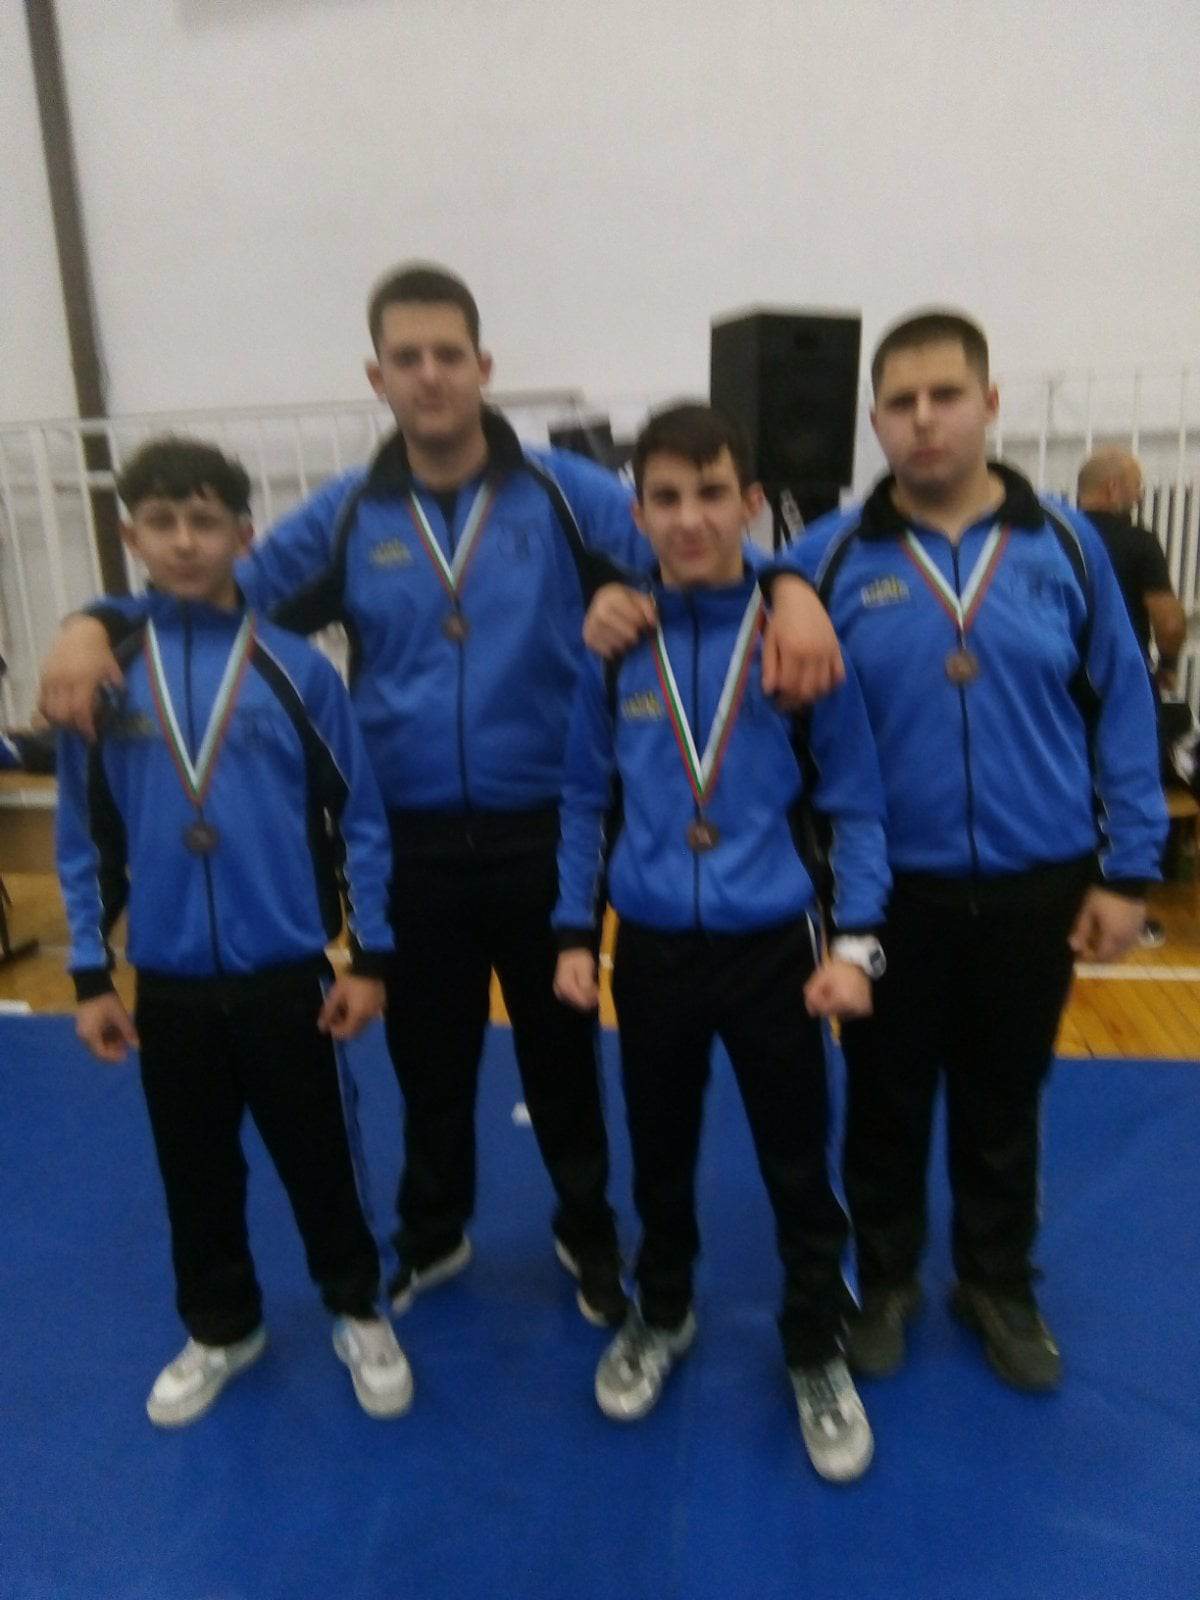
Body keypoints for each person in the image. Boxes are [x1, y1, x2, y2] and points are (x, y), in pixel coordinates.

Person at [38, 263, 843, 1328]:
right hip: (409, 834)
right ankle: (434, 1226)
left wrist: (793, 590)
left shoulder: (567, 491)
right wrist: (91, 622)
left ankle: (586, 1228)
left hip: (544, 826)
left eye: (448, 355)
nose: (430, 375)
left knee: (560, 1055)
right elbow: (211, 593)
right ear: (378, 376)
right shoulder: (346, 512)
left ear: (483, 366)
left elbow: (698, 546)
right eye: (407, 358)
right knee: (431, 1059)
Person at [774, 311, 1166, 1393]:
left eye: (945, 395)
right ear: (874, 421)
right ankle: (887, 1276)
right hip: (887, 891)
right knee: (885, 1097)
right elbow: (719, 576)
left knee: (1005, 1097)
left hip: (1039, 881)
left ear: (989, 404)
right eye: (900, 402)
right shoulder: (827, 556)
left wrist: (1129, 872)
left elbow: (1124, 711)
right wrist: (783, 586)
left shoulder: (1071, 549)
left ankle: (996, 1279)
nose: (924, 419)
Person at [552, 403, 890, 1482]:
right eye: (666, 497)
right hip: (651, 947)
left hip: (772, 948)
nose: (690, 518)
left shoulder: (800, 639)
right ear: (637, 513)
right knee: (658, 1152)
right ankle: (662, 1309)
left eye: (711, 494)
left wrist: (857, 945)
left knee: (797, 1160)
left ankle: (813, 1342)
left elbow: (856, 804)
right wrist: (574, 930)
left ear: (750, 504)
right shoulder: (615, 646)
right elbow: (581, 799)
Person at [55, 438, 412, 1427]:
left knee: (320, 1158)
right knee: (195, 1169)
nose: (184, 541)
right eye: (162, 522)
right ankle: (223, 1325)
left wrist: (369, 956)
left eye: (205, 521)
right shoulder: (107, 681)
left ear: (244, 536)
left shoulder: (298, 671)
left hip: (284, 974)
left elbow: (363, 819)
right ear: (131, 537)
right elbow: (83, 837)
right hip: (167, 981)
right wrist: (89, 974)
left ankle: (357, 1307)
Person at [1077, 446, 1188, 947]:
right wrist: (1168, 666)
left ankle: (1066, 905)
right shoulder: (1139, 542)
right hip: (1120, 690)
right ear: (1114, 488)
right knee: (1126, 790)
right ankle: (1121, 904)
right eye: (1138, 486)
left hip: (1060, 690)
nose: (1141, 496)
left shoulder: (1054, 537)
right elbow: (1169, 622)